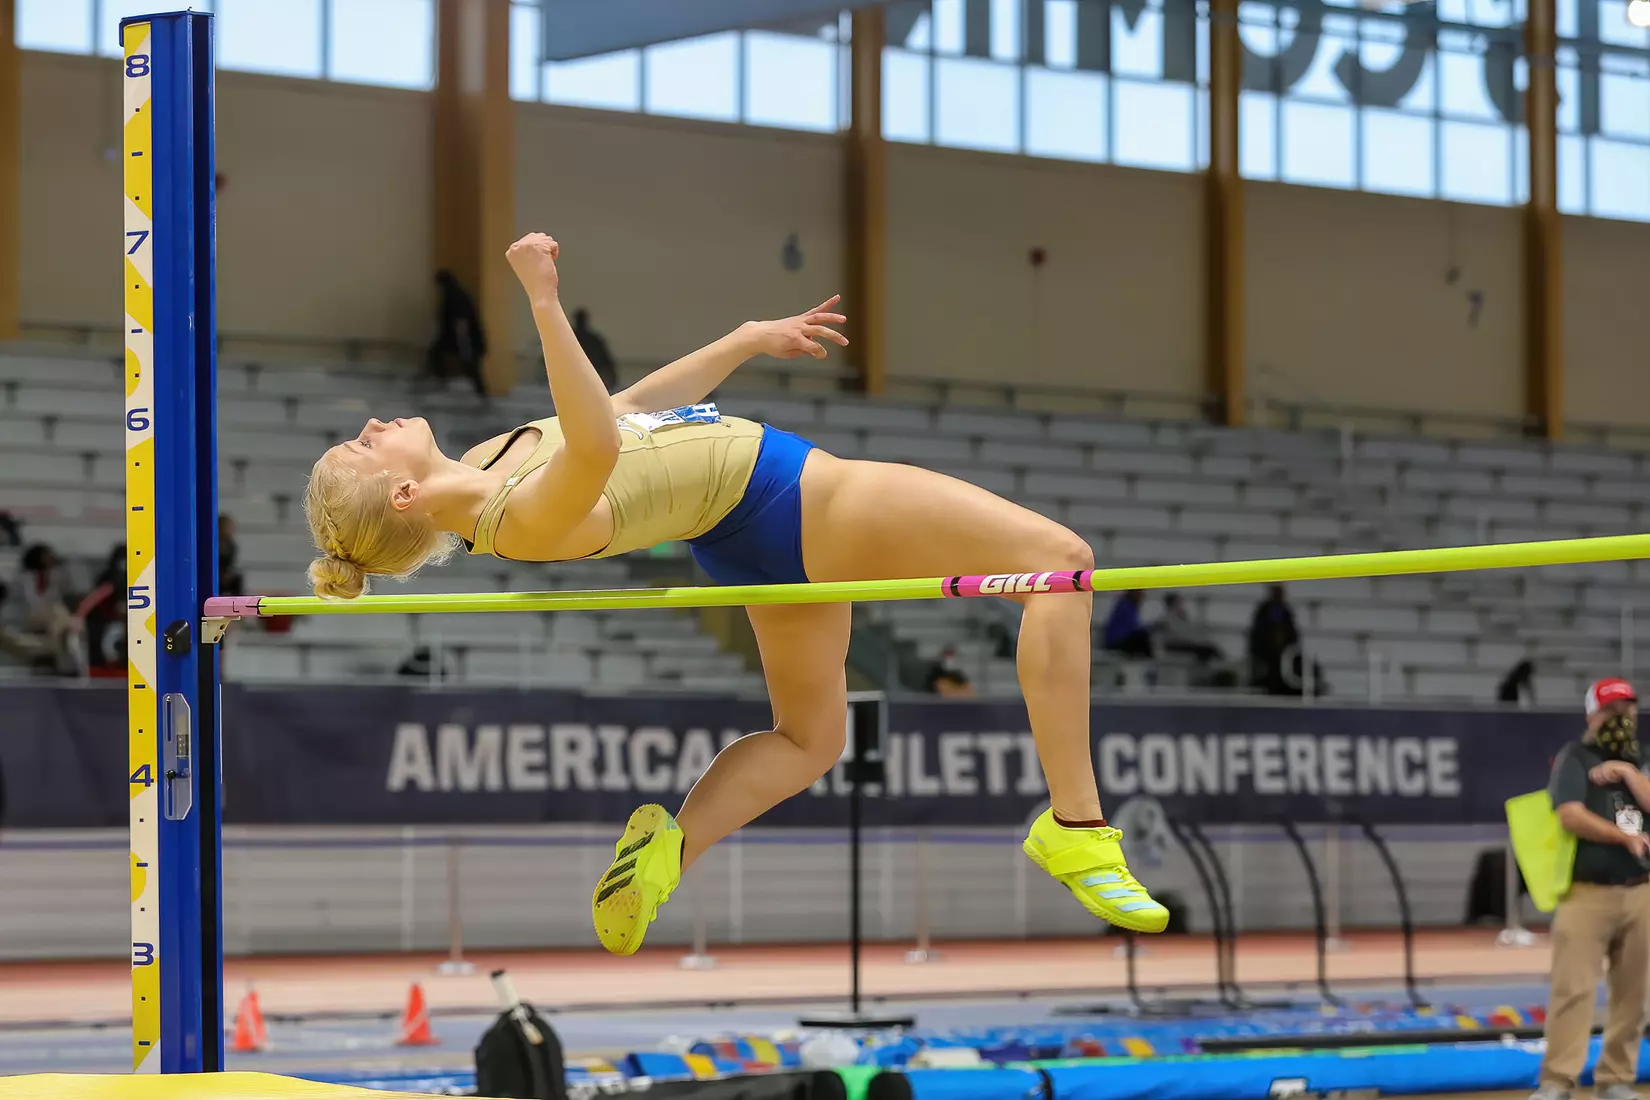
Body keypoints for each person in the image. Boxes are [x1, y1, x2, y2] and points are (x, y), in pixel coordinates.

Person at [301, 232, 1168, 956]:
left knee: (809, 739)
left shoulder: (490, 458)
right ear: (403, 498)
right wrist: (542, 299)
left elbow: (631, 410)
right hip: (795, 500)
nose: (373, 426)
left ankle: (670, 850)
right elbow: (599, 447)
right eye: (363, 449)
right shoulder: (516, 519)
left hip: (747, 538)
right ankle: (1077, 825)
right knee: (1060, 562)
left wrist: (745, 338)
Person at [1532, 678, 1650, 1100]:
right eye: (1613, 709)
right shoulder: (1576, 757)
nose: (1622, 717)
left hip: (1641, 891)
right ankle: (1558, 1080)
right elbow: (1570, 815)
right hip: (1587, 894)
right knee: (1573, 989)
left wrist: (1626, 773)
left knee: (1634, 995)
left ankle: (1616, 1079)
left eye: (1628, 708)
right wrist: (1623, 837)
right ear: (1592, 715)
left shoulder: (1642, 759)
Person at [426, 269, 488, 397]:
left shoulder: (455, 296)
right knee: (438, 354)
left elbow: (461, 322)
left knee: (470, 366)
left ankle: (481, 393)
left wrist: (464, 345)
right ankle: (480, 393)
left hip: (465, 339)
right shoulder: (455, 294)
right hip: (458, 338)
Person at [1248, 584, 1300, 694]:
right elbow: (1257, 634)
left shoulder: (1286, 612)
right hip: (1266, 657)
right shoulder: (1264, 611)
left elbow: (1293, 634)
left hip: (1283, 658)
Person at [1154, 592, 1221, 665]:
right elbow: (1176, 634)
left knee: (1207, 649)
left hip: (1183, 643)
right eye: (1179, 603)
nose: (1182, 605)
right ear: (1173, 604)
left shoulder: (1180, 617)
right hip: (1175, 645)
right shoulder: (1167, 619)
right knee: (1206, 649)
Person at [571, 308, 618, 392]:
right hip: (583, 376)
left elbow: (606, 360)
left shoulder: (568, 338)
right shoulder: (594, 339)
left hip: (590, 375)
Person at [1101, 590, 1152, 658]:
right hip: (1116, 641)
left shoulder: (1131, 606)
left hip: (1122, 639)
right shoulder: (1124, 606)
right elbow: (1130, 629)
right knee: (1143, 636)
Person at [219, 515, 246, 597]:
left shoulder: (231, 544)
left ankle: (238, 603)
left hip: (226, 574)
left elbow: (231, 563)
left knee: (237, 578)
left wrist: (228, 573)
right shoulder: (214, 543)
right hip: (216, 573)